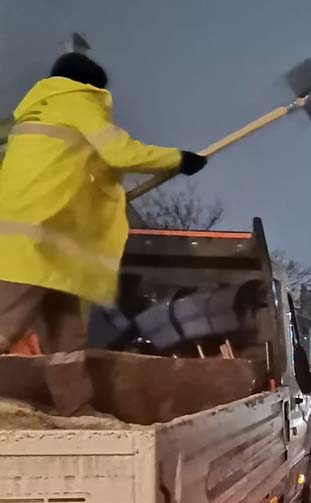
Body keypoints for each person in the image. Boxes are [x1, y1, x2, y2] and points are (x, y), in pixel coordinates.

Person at [0, 51, 208, 354]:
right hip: (36, 246)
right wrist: (178, 159)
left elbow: (78, 170)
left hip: (46, 249)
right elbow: (119, 152)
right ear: (91, 87)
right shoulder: (77, 102)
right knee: (7, 328)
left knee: (67, 344)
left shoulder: (31, 115)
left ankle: (75, 404)